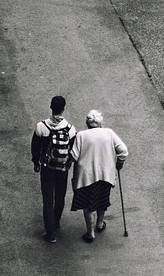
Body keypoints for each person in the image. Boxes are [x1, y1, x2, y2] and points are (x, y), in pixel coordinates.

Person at [70, 110, 128, 243]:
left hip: (87, 177)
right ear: (101, 122)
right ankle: (100, 224)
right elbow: (123, 151)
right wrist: (119, 164)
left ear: (87, 123)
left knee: (88, 205)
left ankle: (90, 233)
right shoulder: (109, 133)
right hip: (106, 174)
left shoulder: (81, 135)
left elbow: (73, 156)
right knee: (102, 199)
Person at [31, 96, 77, 243]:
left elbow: (35, 148)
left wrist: (36, 162)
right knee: (60, 197)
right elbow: (73, 149)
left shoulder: (42, 127)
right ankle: (55, 222)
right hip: (62, 168)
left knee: (47, 200)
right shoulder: (70, 129)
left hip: (47, 167)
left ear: (51, 107)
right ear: (64, 109)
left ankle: (50, 233)